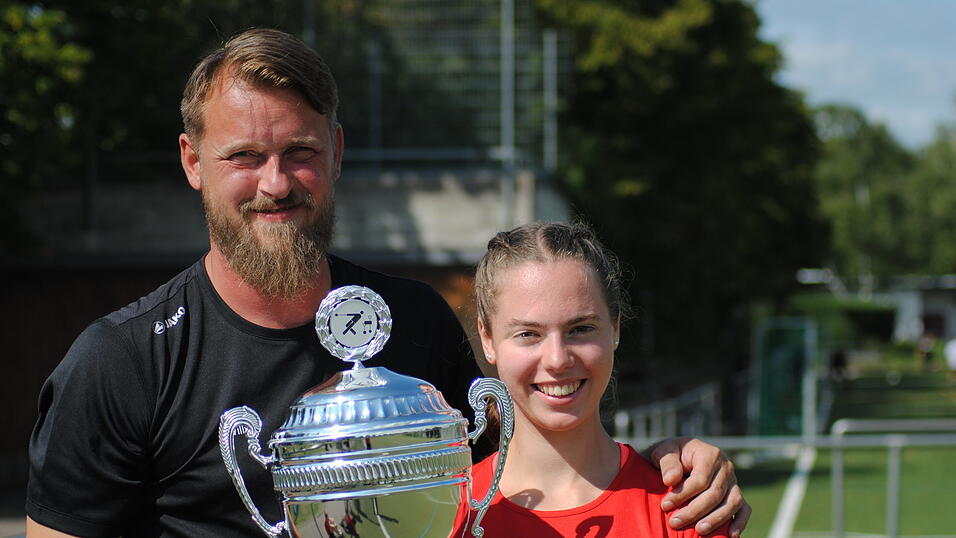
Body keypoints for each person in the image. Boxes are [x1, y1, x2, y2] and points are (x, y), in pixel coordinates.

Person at [26, 29, 747, 537]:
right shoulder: (122, 362)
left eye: (300, 151)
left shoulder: (416, 322)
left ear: (336, 153)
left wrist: (667, 463)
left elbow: (533, 452)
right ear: (192, 161)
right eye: (244, 156)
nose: (275, 183)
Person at [454, 221, 748, 537]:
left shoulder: (688, 508)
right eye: (528, 334)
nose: (558, 360)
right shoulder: (447, 512)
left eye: (580, 329)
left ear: (615, 328)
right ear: (488, 339)